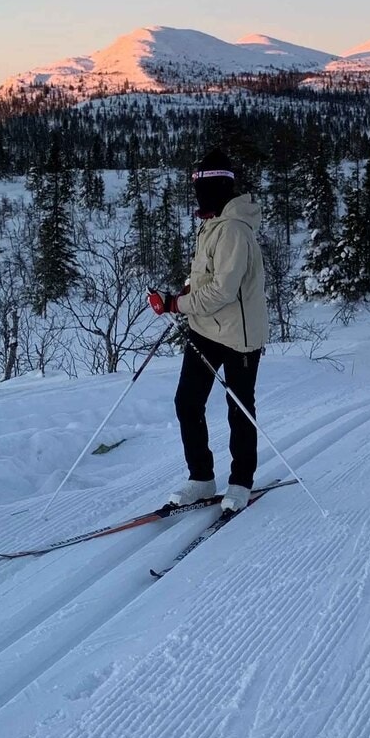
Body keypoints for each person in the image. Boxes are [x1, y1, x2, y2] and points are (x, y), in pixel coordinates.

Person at [149, 155, 269, 514]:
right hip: (207, 329)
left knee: (239, 408)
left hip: (239, 335)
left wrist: (176, 305)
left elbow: (223, 291)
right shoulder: (213, 223)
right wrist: (183, 292)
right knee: (187, 402)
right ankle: (201, 477)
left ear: (218, 187)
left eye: (202, 188)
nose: (198, 196)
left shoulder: (233, 229)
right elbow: (204, 278)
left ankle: (241, 481)